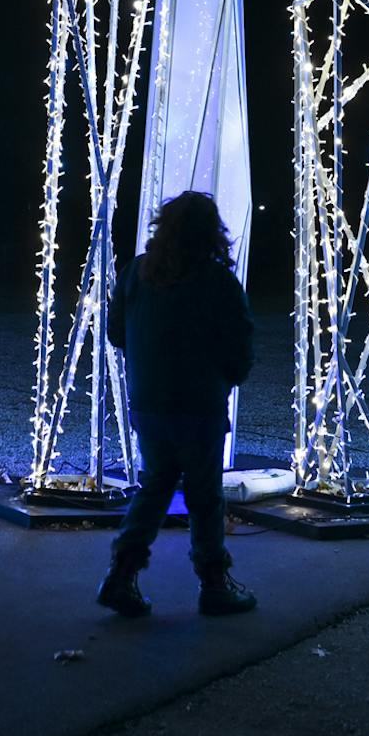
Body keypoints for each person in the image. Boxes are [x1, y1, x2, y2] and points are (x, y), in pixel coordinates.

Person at [96, 190, 257, 618]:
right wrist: (228, 375)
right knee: (204, 495)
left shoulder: (135, 274)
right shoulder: (216, 281)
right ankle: (214, 583)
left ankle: (121, 574)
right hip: (199, 404)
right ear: (210, 233)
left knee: (155, 485)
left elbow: (116, 332)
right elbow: (239, 343)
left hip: (149, 402)